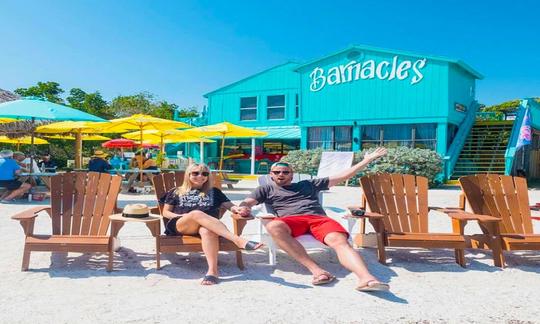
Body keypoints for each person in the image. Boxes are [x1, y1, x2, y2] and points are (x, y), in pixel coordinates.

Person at [239, 147, 390, 292]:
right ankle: (317, 270)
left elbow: (344, 176)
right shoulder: (265, 189)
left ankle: (366, 278)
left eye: (286, 172)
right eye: (277, 172)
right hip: (291, 221)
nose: (281, 174)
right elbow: (247, 202)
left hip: (319, 219)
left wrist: (367, 160)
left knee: (340, 242)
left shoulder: (308, 184)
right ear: (271, 175)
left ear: (292, 175)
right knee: (273, 226)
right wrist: (244, 208)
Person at [161, 163, 262, 285]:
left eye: (204, 174)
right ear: (188, 175)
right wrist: (186, 217)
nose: (200, 176)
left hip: (208, 226)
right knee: (196, 213)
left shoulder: (214, 191)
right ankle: (238, 240)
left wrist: (239, 210)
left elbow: (231, 207)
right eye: (195, 173)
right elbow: (166, 212)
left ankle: (212, 272)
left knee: (207, 230)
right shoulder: (176, 191)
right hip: (182, 225)